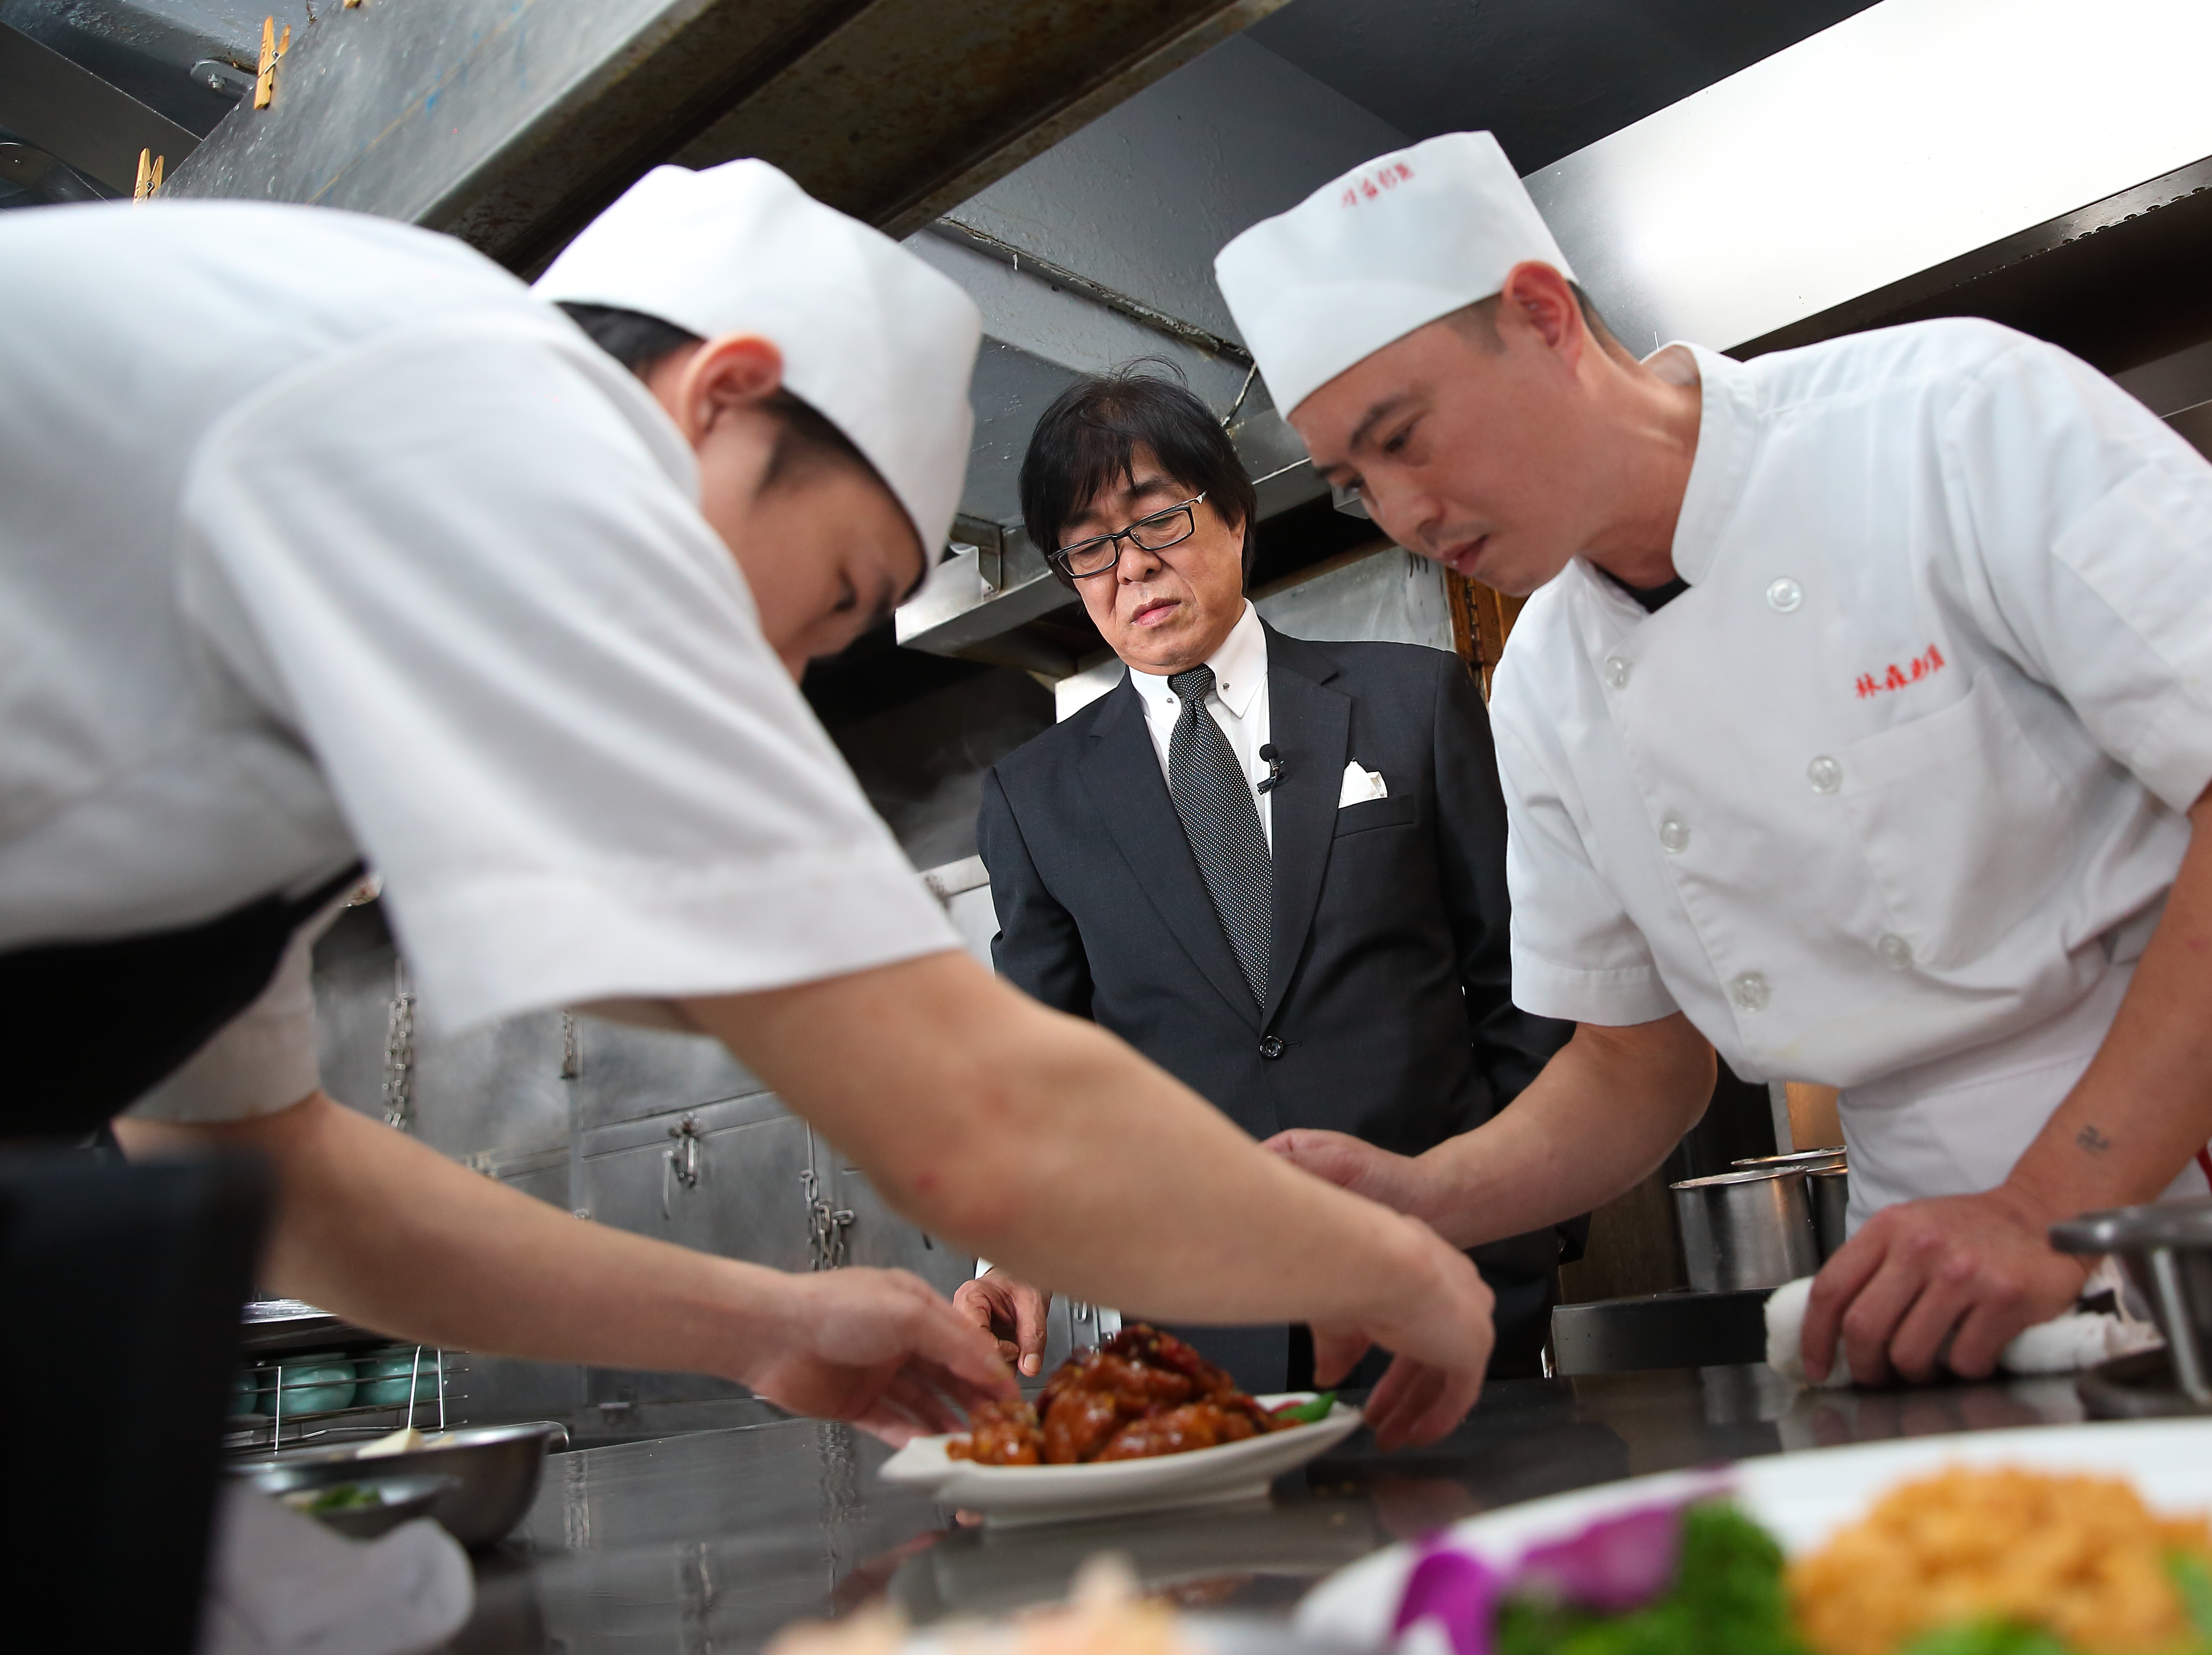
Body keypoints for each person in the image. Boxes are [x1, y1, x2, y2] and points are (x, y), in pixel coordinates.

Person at [0, 159, 1495, 1454]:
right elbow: (970, 1115)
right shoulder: (491, 432)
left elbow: (264, 1175)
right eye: (829, 600)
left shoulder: (322, 532)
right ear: (720, 399)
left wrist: (759, 1323)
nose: (774, 690)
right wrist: (1399, 1267)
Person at [1205, 131, 2212, 1388]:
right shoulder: (1547, 678)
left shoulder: (1950, 419)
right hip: (1928, 1286)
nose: (1401, 515)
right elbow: (1634, 1061)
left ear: (1542, 315)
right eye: (1354, 484)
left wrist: (2041, 1202)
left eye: (1406, 439)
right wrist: (1418, 1196)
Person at [956, 373, 1576, 1391]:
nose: (1132, 568)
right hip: (1203, 1329)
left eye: (1157, 518)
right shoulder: (1035, 798)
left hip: (1447, 1279)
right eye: (1090, 546)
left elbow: (1526, 978)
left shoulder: (1407, 702)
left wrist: (1516, 1216)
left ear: (1233, 514)